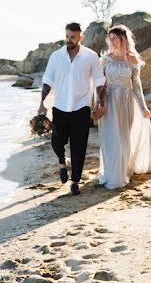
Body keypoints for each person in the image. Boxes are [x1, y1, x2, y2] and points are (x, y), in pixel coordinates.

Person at [38, 22, 106, 195]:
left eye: (73, 37)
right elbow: (47, 81)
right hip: (60, 106)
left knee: (79, 145)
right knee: (56, 142)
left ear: (80, 38)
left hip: (82, 107)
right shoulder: (56, 56)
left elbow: (99, 81)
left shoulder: (90, 56)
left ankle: (75, 181)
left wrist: (101, 103)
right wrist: (42, 103)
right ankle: (63, 162)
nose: (69, 40)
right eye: (67, 36)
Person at [97, 24, 151, 189]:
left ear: (123, 39)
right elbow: (99, 84)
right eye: (110, 38)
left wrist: (143, 106)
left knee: (124, 138)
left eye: (115, 38)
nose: (111, 42)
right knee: (111, 138)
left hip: (127, 103)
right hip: (110, 102)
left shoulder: (132, 60)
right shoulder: (105, 59)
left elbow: (136, 85)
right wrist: (99, 103)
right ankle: (113, 175)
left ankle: (123, 170)